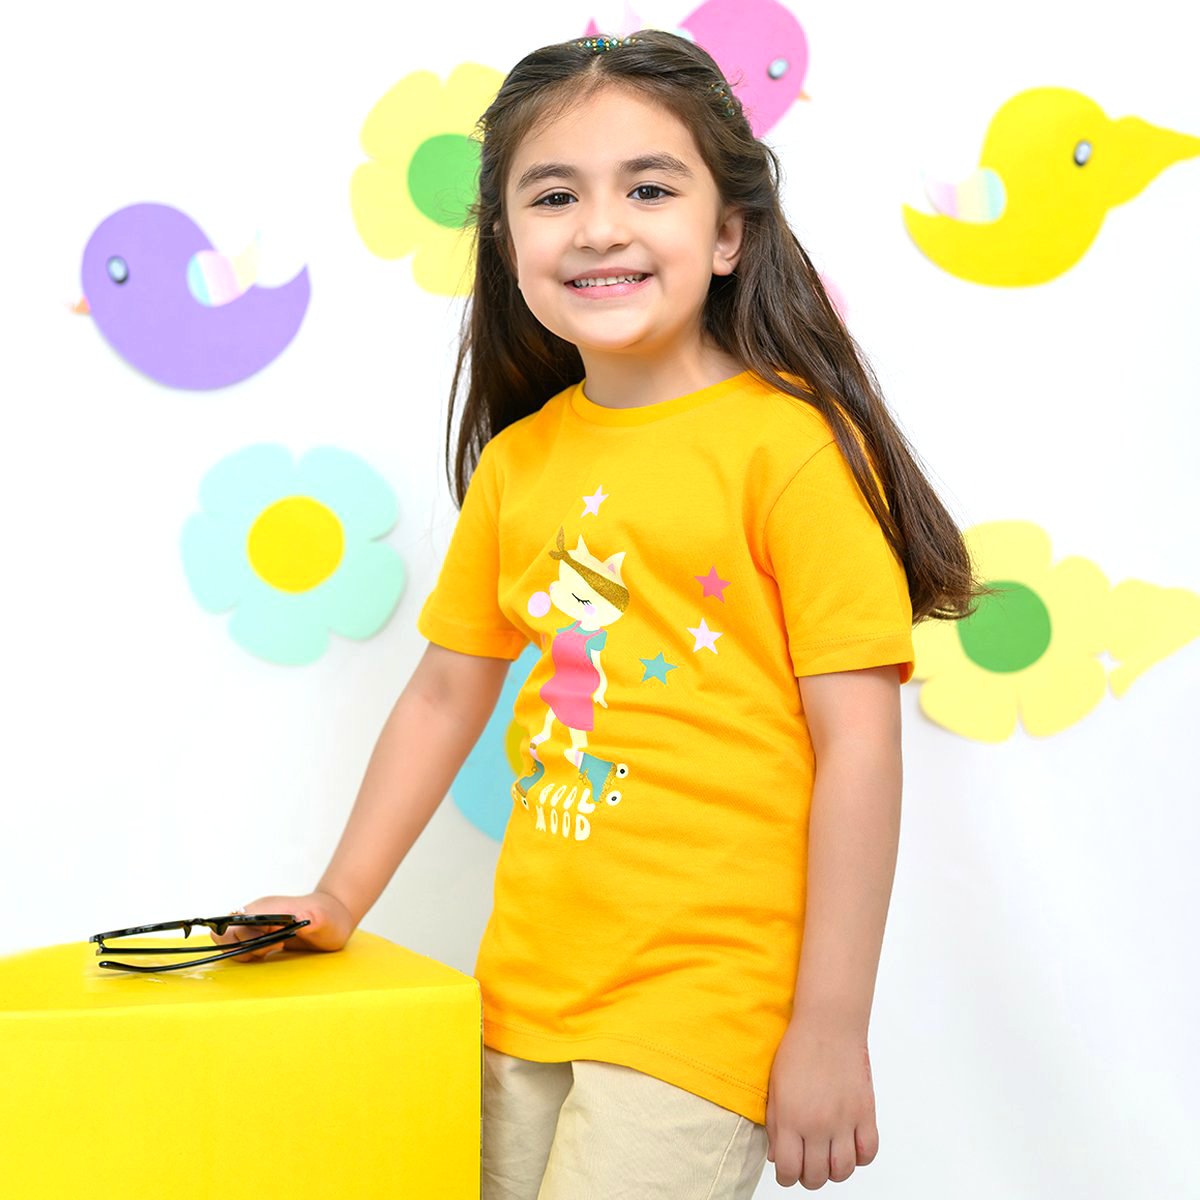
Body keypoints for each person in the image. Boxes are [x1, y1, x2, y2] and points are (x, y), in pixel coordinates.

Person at [215, 29, 984, 1198]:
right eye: (554, 195)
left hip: (702, 1005)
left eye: (650, 188)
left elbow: (860, 748)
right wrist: (337, 898)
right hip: (523, 989)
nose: (599, 226)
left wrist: (831, 1024)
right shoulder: (520, 464)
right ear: (505, 238)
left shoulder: (790, 451)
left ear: (728, 234)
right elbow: (444, 692)